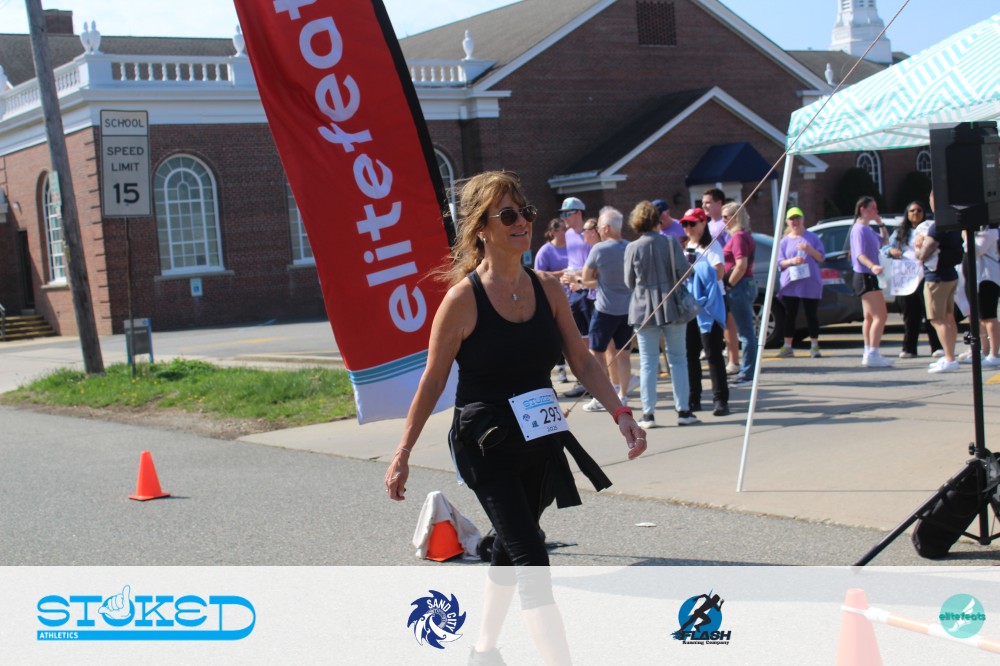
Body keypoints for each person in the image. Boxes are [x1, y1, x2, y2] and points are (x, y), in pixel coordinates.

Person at [384, 171, 646, 666]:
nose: (521, 222)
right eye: (507, 215)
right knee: (531, 556)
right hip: (486, 443)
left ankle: (483, 650)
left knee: (511, 544)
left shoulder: (548, 289)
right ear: (481, 228)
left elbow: (583, 360)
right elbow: (432, 381)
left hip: (541, 440)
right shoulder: (463, 300)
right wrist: (403, 452)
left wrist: (621, 412)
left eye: (525, 212)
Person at [624, 200, 698, 428]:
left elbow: (629, 282)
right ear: (656, 220)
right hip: (672, 306)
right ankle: (683, 410)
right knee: (678, 359)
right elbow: (684, 273)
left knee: (647, 362)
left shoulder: (632, 247)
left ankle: (648, 414)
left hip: (643, 309)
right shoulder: (670, 243)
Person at [581, 207, 634, 410]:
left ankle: (603, 396)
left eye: (600, 227)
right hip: (627, 308)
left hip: (605, 308)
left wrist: (597, 280)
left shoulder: (599, 249)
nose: (599, 231)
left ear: (607, 228)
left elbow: (586, 278)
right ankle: (623, 395)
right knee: (624, 354)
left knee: (596, 352)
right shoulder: (630, 247)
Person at [681, 207, 729, 416]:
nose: (688, 228)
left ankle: (720, 400)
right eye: (685, 224)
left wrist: (697, 269)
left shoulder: (712, 245)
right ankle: (694, 398)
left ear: (703, 223)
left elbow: (719, 272)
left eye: (692, 223)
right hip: (690, 306)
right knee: (690, 354)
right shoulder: (685, 247)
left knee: (713, 354)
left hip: (709, 306)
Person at [882, 201, 942, 358]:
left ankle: (937, 347)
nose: (916, 213)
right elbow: (885, 248)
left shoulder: (929, 228)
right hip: (906, 278)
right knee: (910, 314)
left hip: (925, 275)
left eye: (919, 210)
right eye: (912, 210)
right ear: (907, 214)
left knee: (930, 312)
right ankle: (909, 348)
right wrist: (891, 251)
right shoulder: (900, 232)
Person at [916, 191, 964, 374]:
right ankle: (950, 355)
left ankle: (950, 358)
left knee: (937, 319)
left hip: (936, 276)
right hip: (950, 273)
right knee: (949, 317)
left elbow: (929, 246)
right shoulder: (954, 222)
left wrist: (920, 252)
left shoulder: (938, 224)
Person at [849, 196, 893, 367]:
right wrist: (872, 266)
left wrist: (880, 223)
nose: (876, 211)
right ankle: (873, 353)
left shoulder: (867, 228)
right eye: (872, 208)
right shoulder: (859, 229)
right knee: (880, 316)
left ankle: (868, 351)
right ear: (862, 209)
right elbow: (860, 255)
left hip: (867, 276)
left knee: (869, 317)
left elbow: (885, 241)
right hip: (865, 275)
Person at [776, 207, 825, 358]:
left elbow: (821, 257)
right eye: (792, 219)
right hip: (791, 283)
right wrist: (792, 261)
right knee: (790, 315)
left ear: (803, 219)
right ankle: (787, 346)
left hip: (810, 282)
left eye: (798, 218)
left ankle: (814, 346)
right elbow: (779, 263)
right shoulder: (784, 241)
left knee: (811, 314)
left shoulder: (812, 237)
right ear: (787, 222)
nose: (795, 221)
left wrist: (810, 250)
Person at [558, 197, 594, 398]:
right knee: (579, 337)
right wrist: (567, 276)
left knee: (592, 338)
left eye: (567, 213)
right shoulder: (568, 234)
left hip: (588, 290)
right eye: (562, 214)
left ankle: (595, 380)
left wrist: (575, 276)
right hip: (573, 291)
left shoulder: (589, 233)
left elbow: (593, 266)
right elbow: (573, 263)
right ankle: (584, 381)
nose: (564, 218)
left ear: (579, 213)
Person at [721, 202, 758, 387]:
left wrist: (729, 284)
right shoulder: (744, 235)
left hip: (740, 286)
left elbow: (741, 264)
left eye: (726, 217)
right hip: (745, 284)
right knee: (746, 331)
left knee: (746, 332)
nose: (723, 221)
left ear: (735, 217)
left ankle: (747, 373)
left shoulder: (738, 237)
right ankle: (748, 371)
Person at [534, 218, 570, 382]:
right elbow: (538, 275)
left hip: (574, 298)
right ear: (554, 232)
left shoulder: (572, 247)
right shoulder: (545, 251)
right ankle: (560, 368)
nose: (567, 232)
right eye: (563, 229)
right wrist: (560, 273)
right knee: (557, 334)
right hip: (553, 300)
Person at [962, 224, 1000, 367]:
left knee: (988, 316)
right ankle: (984, 350)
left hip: (987, 278)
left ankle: (994, 353)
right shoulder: (981, 231)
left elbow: (976, 249)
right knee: (979, 317)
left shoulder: (990, 231)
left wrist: (966, 235)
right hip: (977, 278)